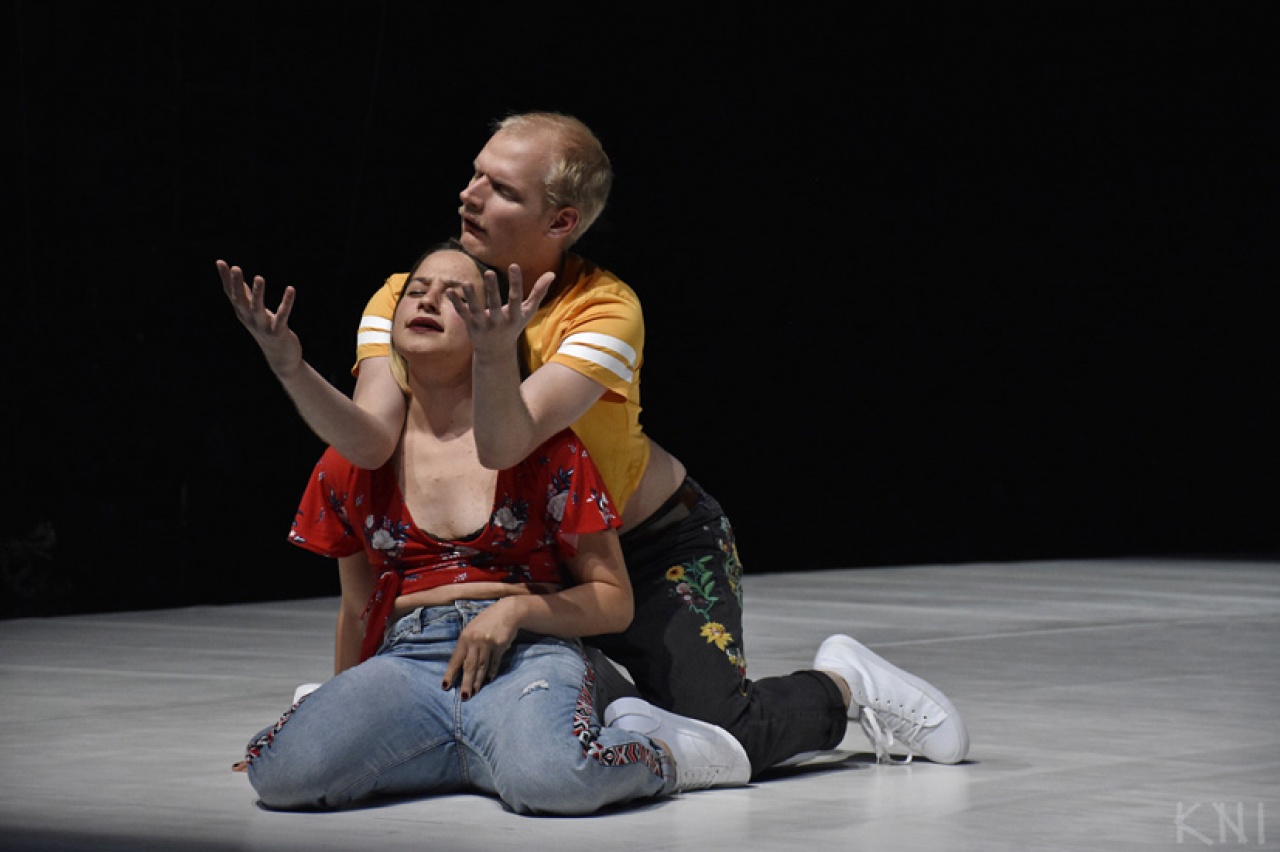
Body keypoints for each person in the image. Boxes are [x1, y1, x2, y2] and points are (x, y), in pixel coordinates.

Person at [225, 111, 971, 773]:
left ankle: (845, 685)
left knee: (726, 728)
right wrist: (292, 368)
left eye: (501, 189)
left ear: (561, 221)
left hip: (647, 546)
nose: (469, 196)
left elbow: (505, 443)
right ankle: (614, 709)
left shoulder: (604, 311)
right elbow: (369, 442)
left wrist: (493, 352)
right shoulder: (412, 292)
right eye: (475, 175)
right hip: (525, 555)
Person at [220, 242, 752, 814]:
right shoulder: (352, 463)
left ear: (492, 329)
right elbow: (357, 609)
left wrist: (514, 613)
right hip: (410, 658)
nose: (427, 302)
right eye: (416, 292)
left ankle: (664, 750)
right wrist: (346, 698)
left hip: (527, 654)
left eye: (455, 297)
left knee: (555, 784)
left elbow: (613, 601)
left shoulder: (546, 451)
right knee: (284, 775)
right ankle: (484, 751)